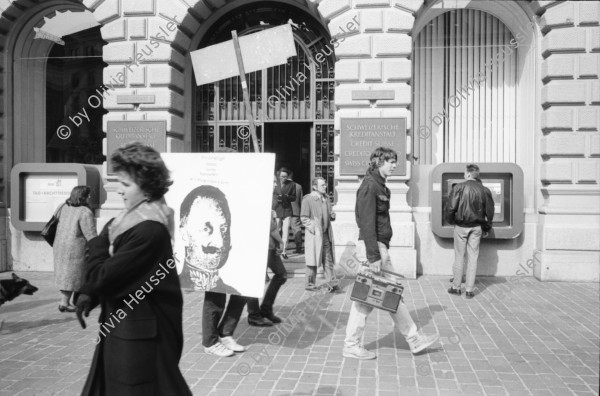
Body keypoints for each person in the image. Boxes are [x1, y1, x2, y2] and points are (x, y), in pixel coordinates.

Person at [75, 143, 191, 395]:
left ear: (147, 187)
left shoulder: (148, 230)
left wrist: (95, 244)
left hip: (139, 345)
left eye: (126, 185)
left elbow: (103, 275)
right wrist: (90, 294)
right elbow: (114, 273)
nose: (119, 190)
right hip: (127, 331)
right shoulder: (132, 219)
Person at [343, 147, 439, 360]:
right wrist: (374, 256)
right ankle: (412, 339)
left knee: (374, 298)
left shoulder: (379, 186)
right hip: (374, 249)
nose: (395, 165)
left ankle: (353, 344)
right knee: (380, 296)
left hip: (378, 247)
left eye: (395, 161)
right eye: (391, 161)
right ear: (379, 162)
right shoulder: (370, 186)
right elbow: (366, 223)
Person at [446, 163, 495, 299]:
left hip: (461, 226)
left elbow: (451, 207)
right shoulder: (484, 190)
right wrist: (487, 227)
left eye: (464, 173)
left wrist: (452, 221)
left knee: (459, 256)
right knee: (473, 258)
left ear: (468, 174)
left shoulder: (458, 187)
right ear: (476, 175)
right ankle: (469, 290)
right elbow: (490, 211)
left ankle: (456, 287)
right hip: (477, 227)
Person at [53, 185, 97, 312]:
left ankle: (65, 302)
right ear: (82, 196)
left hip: (60, 245)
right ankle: (65, 303)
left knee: (68, 275)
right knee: (73, 276)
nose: (90, 197)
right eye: (88, 194)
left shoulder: (62, 207)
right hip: (76, 248)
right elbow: (90, 234)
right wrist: (97, 246)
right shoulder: (85, 211)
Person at [246, 196, 288, 327]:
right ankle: (253, 315)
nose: (276, 184)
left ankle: (265, 309)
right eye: (274, 181)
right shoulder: (260, 196)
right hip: (259, 245)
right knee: (254, 279)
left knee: (281, 274)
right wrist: (281, 241)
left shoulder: (269, 197)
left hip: (269, 245)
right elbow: (270, 225)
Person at [300, 177, 337, 292]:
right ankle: (309, 284)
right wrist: (313, 228)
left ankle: (332, 283)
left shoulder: (326, 199)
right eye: (322, 185)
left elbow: (328, 214)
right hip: (315, 235)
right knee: (312, 259)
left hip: (325, 234)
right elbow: (304, 218)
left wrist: (332, 215)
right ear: (315, 187)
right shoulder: (308, 199)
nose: (325, 186)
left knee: (328, 259)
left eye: (325, 184)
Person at [273, 167, 296, 259]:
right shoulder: (275, 184)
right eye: (282, 176)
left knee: (285, 231)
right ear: (279, 176)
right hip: (277, 209)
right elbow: (271, 195)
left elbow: (294, 197)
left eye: (285, 176)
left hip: (287, 210)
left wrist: (287, 197)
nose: (284, 178)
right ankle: (275, 249)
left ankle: (284, 251)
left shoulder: (292, 184)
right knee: (276, 230)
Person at [289, 173, 304, 253]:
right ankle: (299, 247)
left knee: (279, 229)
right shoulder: (298, 186)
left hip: (284, 211)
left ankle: (279, 248)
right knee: (297, 228)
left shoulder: (282, 186)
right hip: (296, 211)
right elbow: (301, 200)